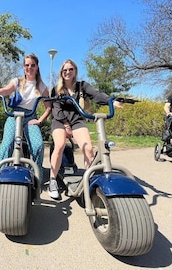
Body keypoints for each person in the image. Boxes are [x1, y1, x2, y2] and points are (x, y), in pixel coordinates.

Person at [48, 59, 123, 199]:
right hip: (60, 121)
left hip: (77, 120)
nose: (68, 72)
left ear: (75, 71)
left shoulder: (82, 86)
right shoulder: (56, 89)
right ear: (61, 73)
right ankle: (52, 181)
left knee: (88, 149)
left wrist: (110, 101)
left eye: (70, 69)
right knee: (60, 145)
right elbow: (56, 109)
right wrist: (65, 124)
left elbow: (97, 95)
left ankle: (88, 182)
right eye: (65, 70)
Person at [0, 53, 51, 180]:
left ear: (37, 67)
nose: (30, 67)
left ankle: (36, 175)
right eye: (27, 65)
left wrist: (39, 121)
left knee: (38, 145)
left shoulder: (41, 86)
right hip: (14, 115)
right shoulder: (17, 82)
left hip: (30, 116)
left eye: (32, 65)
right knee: (7, 144)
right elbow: (6, 90)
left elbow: (48, 107)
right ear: (24, 67)